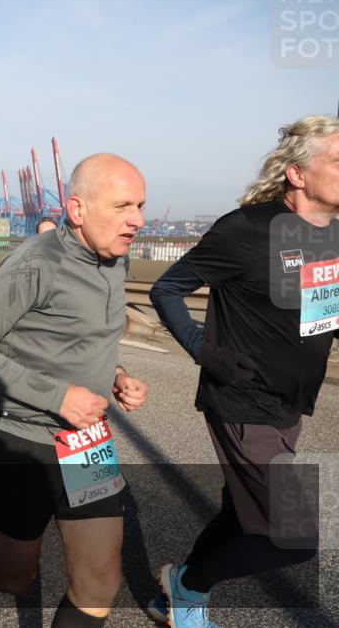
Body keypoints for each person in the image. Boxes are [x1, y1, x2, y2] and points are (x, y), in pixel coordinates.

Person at [0, 154, 150, 628]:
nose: (137, 220)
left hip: (86, 444)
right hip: (20, 440)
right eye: (122, 206)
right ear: (77, 209)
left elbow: (83, 340)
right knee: (14, 576)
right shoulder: (34, 263)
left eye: (140, 206)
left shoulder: (116, 259)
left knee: (99, 584)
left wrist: (115, 374)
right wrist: (58, 396)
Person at [147, 116, 338, 628]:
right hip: (242, 401)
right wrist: (204, 352)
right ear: (298, 174)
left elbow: (322, 311)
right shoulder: (247, 229)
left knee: (243, 515)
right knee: (293, 537)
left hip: (290, 404)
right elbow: (166, 289)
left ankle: (173, 594)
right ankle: (187, 588)